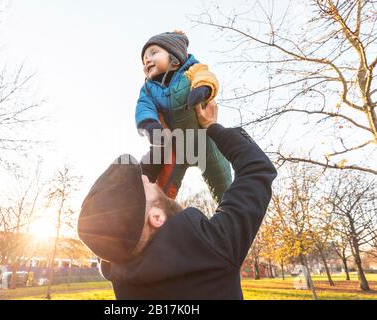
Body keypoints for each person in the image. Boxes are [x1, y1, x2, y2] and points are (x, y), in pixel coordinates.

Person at [78, 99, 278, 300]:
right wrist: (212, 126)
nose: (147, 177)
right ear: (156, 218)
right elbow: (257, 168)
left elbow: (128, 212)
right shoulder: (214, 248)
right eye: (144, 185)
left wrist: (162, 142)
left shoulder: (122, 277)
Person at [136, 30, 232, 202]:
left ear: (175, 57)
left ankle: (232, 213)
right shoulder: (149, 89)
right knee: (161, 193)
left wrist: (202, 89)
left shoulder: (192, 70)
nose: (147, 60)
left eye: (153, 53)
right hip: (176, 148)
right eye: (144, 60)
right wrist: (149, 124)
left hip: (205, 141)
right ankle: (156, 216)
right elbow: (144, 106)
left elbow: (205, 76)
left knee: (223, 183)